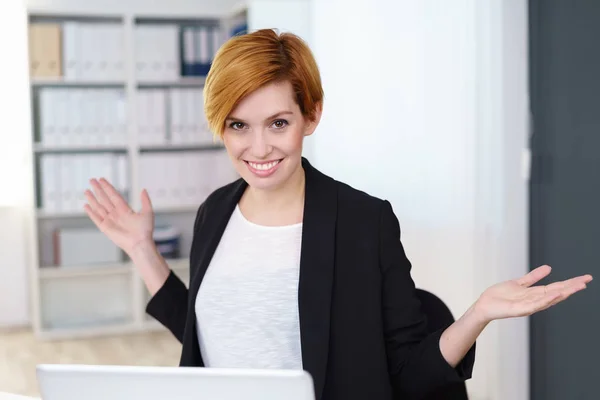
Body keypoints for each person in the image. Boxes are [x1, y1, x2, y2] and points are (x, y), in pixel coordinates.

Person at [83, 29, 592, 400]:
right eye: (238, 125)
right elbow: (209, 331)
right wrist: (141, 250)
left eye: (278, 123)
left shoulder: (361, 223)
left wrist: (477, 314)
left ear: (312, 115)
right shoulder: (216, 210)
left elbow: (410, 372)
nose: (257, 147)